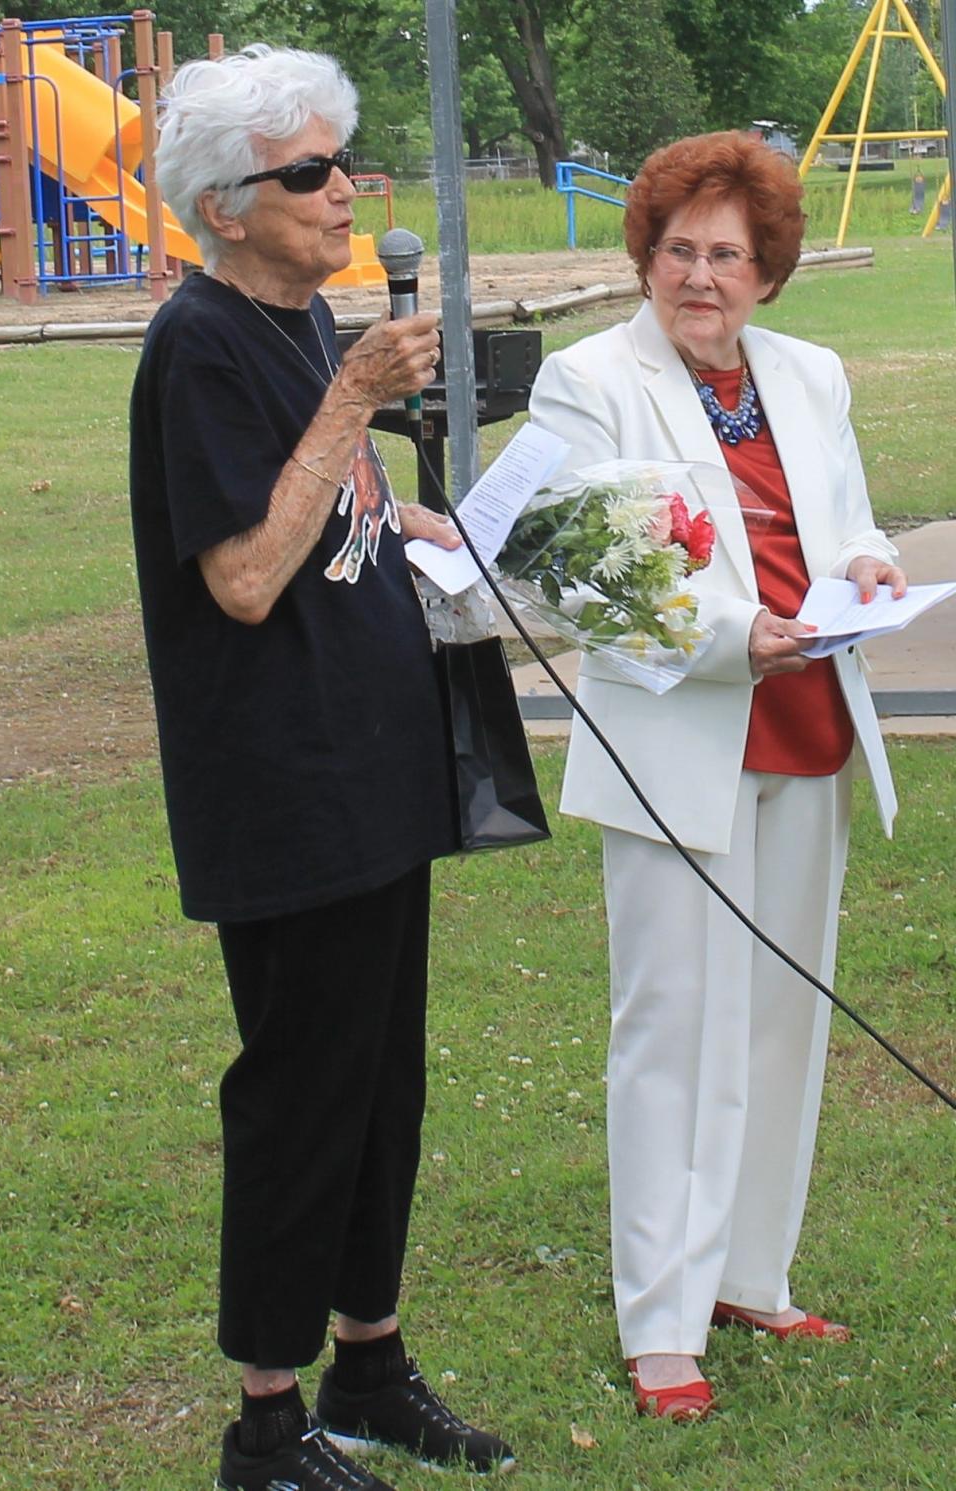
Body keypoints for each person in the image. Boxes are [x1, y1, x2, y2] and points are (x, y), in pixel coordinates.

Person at [129, 44, 514, 1491]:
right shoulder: (204, 347)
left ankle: (371, 1365)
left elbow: (327, 530)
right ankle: (266, 1423)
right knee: (301, 1097)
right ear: (228, 207)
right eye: (310, 175)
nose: (345, 191)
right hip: (284, 794)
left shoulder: (304, 320)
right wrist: (353, 400)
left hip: (379, 771)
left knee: (380, 1089)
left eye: (343, 163)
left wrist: (401, 526)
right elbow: (239, 577)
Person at [529, 131, 906, 1421]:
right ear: (646, 254)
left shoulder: (809, 374)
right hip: (677, 745)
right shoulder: (588, 379)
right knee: (676, 1033)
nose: (702, 276)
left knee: (784, 1022)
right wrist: (727, 636)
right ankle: (661, 1326)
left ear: (768, 270)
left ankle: (753, 1273)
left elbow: (844, 516)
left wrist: (863, 567)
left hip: (812, 731)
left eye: (729, 255)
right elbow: (577, 570)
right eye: (680, 250)